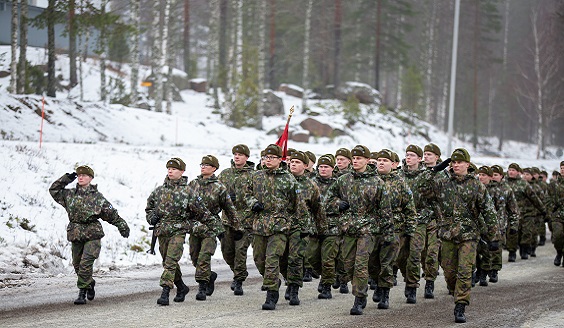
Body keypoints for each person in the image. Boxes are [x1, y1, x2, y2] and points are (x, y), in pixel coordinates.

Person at [422, 148, 499, 323]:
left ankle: (460, 305)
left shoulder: (476, 185)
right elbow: (422, 188)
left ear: (467, 164)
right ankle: (455, 291)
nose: (456, 165)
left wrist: (494, 237)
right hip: (448, 234)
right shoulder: (442, 183)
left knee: (465, 271)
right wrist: (434, 171)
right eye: (453, 162)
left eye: (459, 162)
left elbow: (489, 211)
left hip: (468, 235)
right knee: (449, 273)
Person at [326, 145, 392, 315]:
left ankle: (359, 298)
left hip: (368, 230)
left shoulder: (377, 182)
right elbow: (328, 199)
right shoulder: (343, 180)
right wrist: (338, 204)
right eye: (354, 158)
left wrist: (387, 233)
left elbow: (385, 209)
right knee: (348, 264)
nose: (355, 160)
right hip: (348, 229)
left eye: (359, 158)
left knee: (360, 264)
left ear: (368, 161)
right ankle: (364, 286)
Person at [50, 165, 130, 305]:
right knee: (77, 265)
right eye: (79, 175)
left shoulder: (97, 197)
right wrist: (67, 178)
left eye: (84, 175)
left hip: (93, 233)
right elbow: (54, 190)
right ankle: (89, 283)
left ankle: (82, 293)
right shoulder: (69, 195)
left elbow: (111, 214)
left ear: (91, 178)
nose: (81, 177)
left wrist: (122, 226)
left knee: (86, 263)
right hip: (75, 232)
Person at [145, 157, 210, 306]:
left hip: (179, 231)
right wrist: (151, 218)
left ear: (182, 172)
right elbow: (149, 208)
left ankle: (165, 292)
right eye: (168, 168)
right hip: (162, 232)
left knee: (171, 261)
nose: (170, 171)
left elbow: (201, 212)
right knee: (167, 261)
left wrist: (213, 228)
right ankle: (181, 287)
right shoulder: (159, 191)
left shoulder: (188, 192)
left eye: (174, 169)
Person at [247, 144, 300, 310]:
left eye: (271, 158)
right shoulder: (256, 176)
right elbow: (246, 194)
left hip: (280, 226)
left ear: (280, 160)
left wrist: (297, 226)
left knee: (272, 259)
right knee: (259, 259)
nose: (268, 160)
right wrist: (253, 203)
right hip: (259, 225)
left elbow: (297, 204)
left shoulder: (288, 179)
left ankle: (271, 294)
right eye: (265, 157)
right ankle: (274, 280)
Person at [369, 149, 417, 309]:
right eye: (379, 160)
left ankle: (384, 293)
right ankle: (377, 281)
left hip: (396, 228)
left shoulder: (400, 183)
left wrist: (410, 231)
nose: (381, 163)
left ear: (393, 164)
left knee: (387, 262)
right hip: (373, 228)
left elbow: (409, 208)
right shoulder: (370, 180)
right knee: (371, 261)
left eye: (385, 160)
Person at [188, 155, 240, 301]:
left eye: (207, 165)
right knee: (195, 257)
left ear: (214, 168)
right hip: (195, 226)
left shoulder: (219, 187)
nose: (203, 166)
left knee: (204, 256)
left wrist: (237, 227)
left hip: (211, 225)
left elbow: (229, 209)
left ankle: (202, 288)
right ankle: (209, 276)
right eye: (202, 164)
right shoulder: (193, 184)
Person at [281, 150, 325, 306]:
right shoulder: (282, 181)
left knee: (296, 258)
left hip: (300, 228)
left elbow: (318, 209)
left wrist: (321, 230)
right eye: (292, 162)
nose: (293, 164)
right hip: (279, 226)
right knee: (280, 258)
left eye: (297, 162)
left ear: (306, 166)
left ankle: (294, 289)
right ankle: (288, 279)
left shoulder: (311, 185)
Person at [218, 144, 255, 296]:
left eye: (240, 154)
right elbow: (216, 193)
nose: (237, 157)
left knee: (240, 251)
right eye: (235, 154)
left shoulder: (255, 175)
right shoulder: (225, 174)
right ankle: (238, 272)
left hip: (246, 221)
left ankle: (238, 280)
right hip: (228, 220)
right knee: (227, 251)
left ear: (247, 157)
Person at [396, 144, 426, 304]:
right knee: (400, 256)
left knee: (414, 254)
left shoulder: (426, 176)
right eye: (407, 155)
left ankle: (412, 286)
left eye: (412, 155)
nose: (408, 158)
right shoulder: (398, 175)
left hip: (419, 221)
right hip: (401, 220)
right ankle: (407, 277)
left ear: (419, 159)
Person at [310, 155, 339, 299]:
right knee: (311, 257)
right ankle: (325, 276)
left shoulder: (339, 184)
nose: (323, 169)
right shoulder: (311, 183)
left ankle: (327, 286)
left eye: (326, 167)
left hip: (332, 226)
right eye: (321, 166)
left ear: (332, 169)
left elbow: (346, 201)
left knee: (328, 259)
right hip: (314, 226)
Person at [506, 163, 546, 260]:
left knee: (526, 232)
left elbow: (534, 198)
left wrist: (543, 210)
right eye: (510, 170)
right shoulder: (504, 183)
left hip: (526, 213)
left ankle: (524, 249)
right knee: (512, 234)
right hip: (511, 214)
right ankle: (512, 252)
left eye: (513, 170)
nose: (511, 172)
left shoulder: (523, 184)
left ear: (518, 172)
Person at [488, 165, 520, 282]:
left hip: (500, 225)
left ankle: (494, 270)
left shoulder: (507, 190)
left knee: (496, 249)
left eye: (496, 175)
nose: (493, 177)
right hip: (484, 225)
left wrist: (514, 225)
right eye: (491, 174)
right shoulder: (485, 188)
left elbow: (513, 209)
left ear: (501, 176)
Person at [420, 143, 443, 298]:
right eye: (425, 153)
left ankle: (430, 282)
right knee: (421, 252)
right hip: (420, 218)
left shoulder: (443, 175)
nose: (426, 156)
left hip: (436, 219)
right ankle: (427, 273)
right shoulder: (418, 172)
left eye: (429, 154)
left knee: (432, 253)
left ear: (437, 157)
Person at [547, 161, 564, 266]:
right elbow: (548, 198)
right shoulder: (554, 184)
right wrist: (550, 211)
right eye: (561, 168)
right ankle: (559, 252)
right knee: (557, 236)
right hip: (557, 214)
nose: (563, 169)